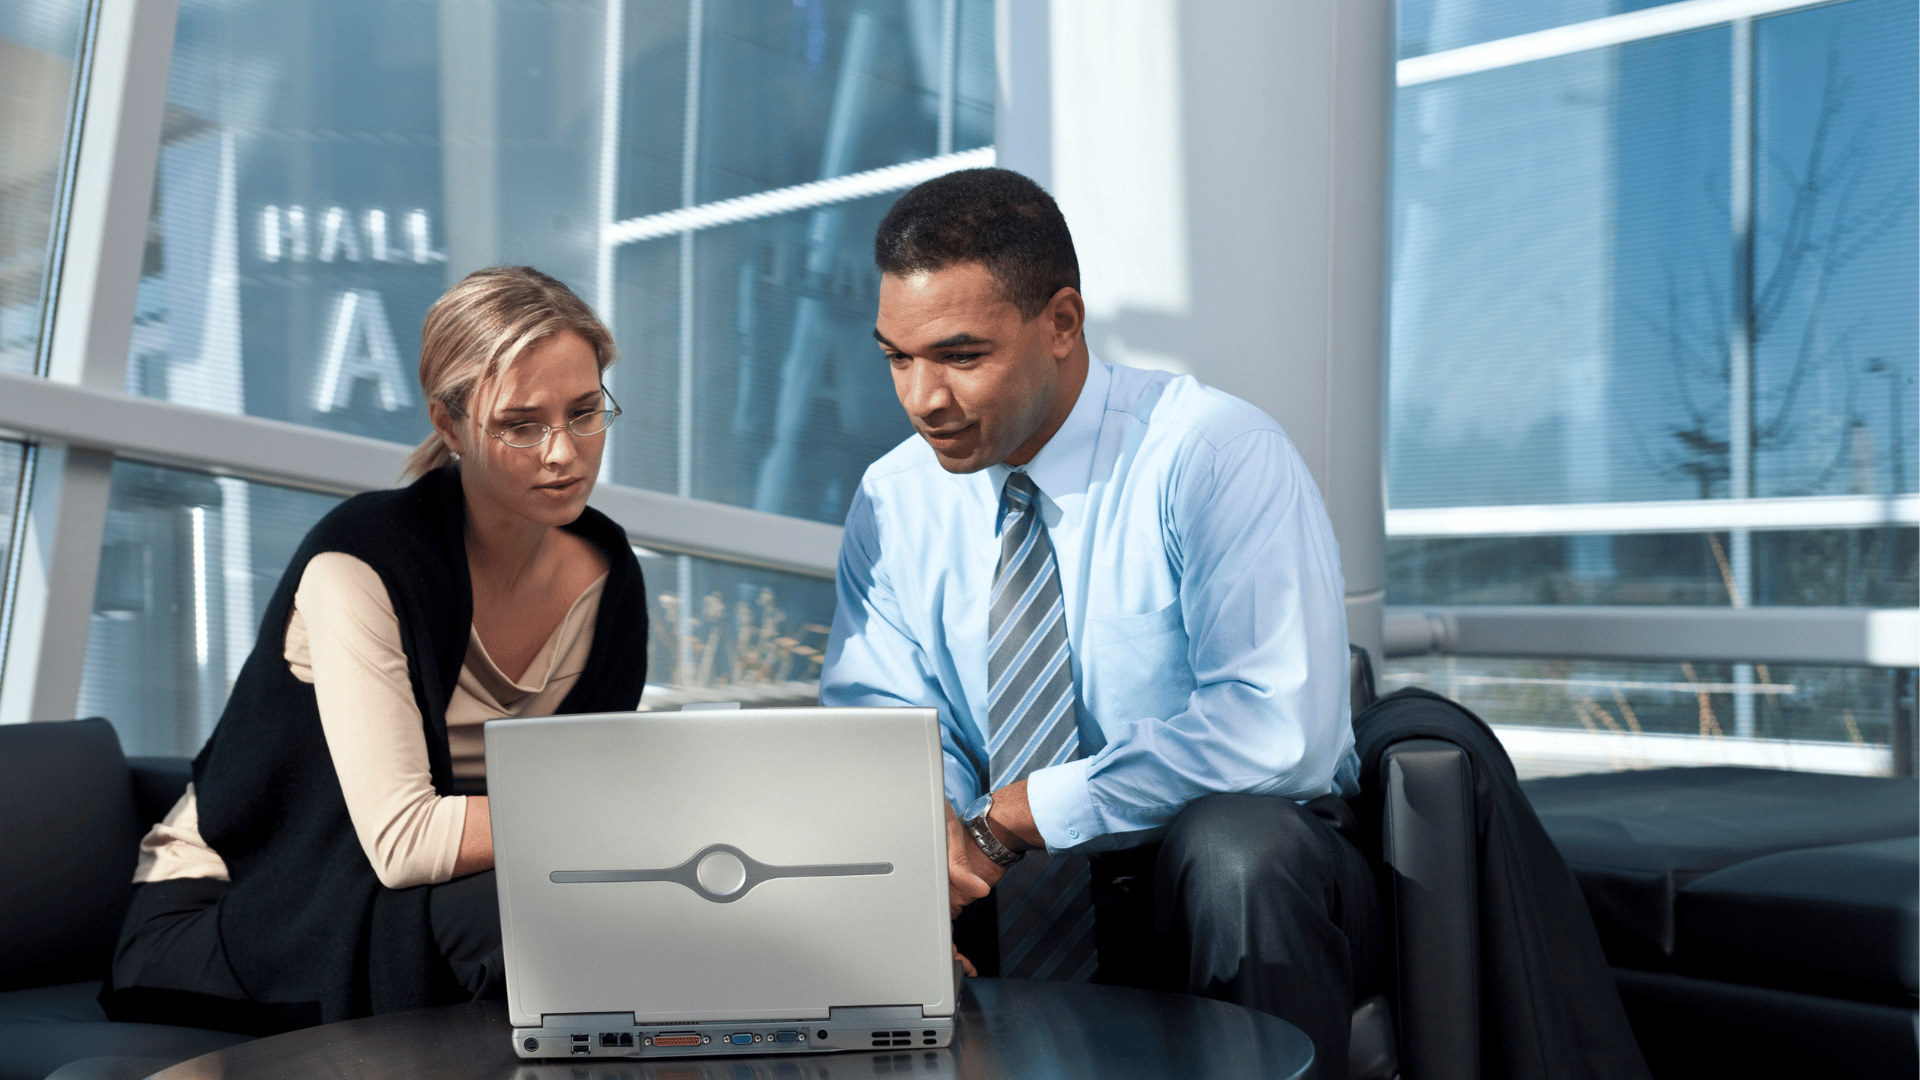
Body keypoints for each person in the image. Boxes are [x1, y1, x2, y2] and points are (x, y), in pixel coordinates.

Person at [820, 168, 1380, 1076]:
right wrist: (929, 841)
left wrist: (1023, 815)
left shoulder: (1212, 455)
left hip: (1211, 883)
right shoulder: (894, 497)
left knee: (1237, 847)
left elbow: (1278, 732)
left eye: (961, 356)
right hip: (1002, 886)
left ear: (1063, 325)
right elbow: (878, 726)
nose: (923, 399)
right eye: (896, 357)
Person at [102, 266, 650, 1032]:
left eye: (585, 412)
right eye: (521, 424)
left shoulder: (605, 570)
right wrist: (638, 814)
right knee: (552, 924)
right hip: (241, 904)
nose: (564, 452)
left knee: (645, 911)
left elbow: (595, 773)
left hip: (430, 881)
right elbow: (402, 841)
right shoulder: (360, 563)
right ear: (451, 425)